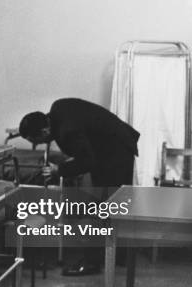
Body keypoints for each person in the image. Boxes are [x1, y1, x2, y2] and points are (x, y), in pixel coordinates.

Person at [19, 98, 140, 276]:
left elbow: (88, 161)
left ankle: (92, 263)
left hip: (115, 154)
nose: (37, 144)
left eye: (36, 139)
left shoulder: (66, 132)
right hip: (117, 144)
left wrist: (58, 170)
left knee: (101, 207)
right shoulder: (57, 108)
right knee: (111, 207)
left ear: (45, 130)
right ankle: (118, 256)